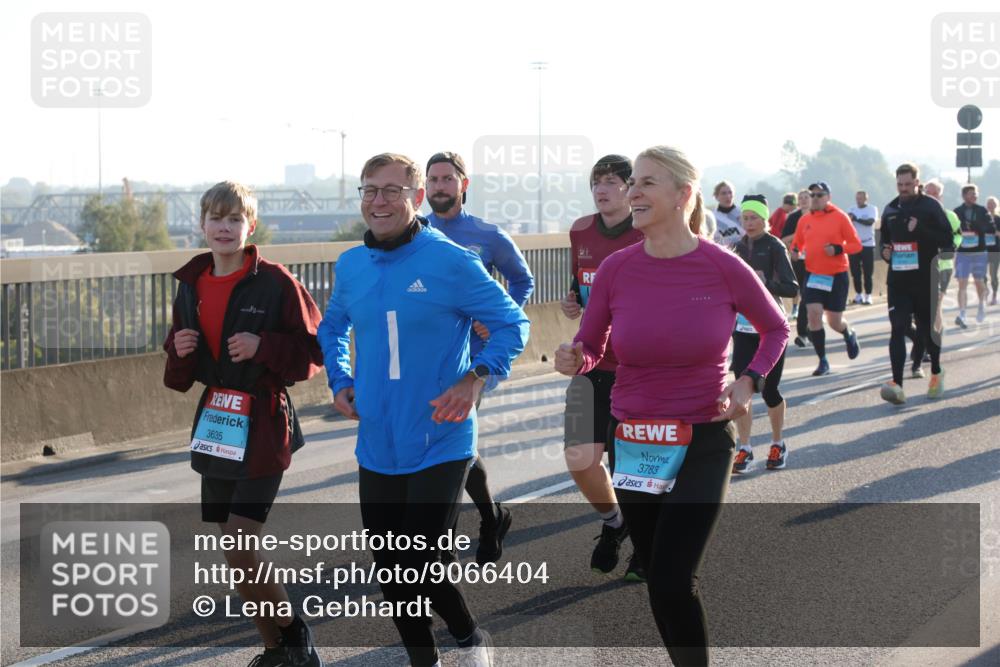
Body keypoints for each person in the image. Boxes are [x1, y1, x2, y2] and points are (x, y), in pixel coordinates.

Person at [555, 146, 788, 666]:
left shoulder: (722, 266)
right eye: (632, 182)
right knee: (658, 579)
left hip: (702, 436)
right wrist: (575, 357)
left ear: (683, 194)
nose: (632, 192)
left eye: (646, 183)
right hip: (634, 439)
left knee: (673, 577)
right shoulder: (616, 269)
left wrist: (748, 381)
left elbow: (776, 328)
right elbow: (591, 344)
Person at [318, 153, 529, 667]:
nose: (379, 201)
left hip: (442, 435)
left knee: (421, 559)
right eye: (370, 190)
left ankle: (470, 639)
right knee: (391, 568)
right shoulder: (351, 264)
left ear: (416, 198)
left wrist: (475, 378)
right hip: (377, 440)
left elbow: (512, 324)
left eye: (392, 191)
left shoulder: (452, 260)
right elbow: (332, 327)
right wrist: (340, 379)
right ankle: (424, 658)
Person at [163, 181, 325, 667]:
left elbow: (315, 352)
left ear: (250, 226)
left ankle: (295, 635)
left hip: (264, 423)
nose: (224, 227)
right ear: (202, 224)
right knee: (233, 553)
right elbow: (179, 377)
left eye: (234, 219)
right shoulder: (190, 284)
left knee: (239, 542)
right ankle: (274, 650)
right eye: (216, 217)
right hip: (217, 421)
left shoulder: (275, 281)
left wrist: (264, 346)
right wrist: (178, 350)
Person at [425, 151, 535, 565]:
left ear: (463, 184)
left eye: (447, 179)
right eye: (433, 179)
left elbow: (523, 279)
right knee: (446, 443)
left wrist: (499, 316)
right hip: (429, 357)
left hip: (474, 359)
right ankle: (492, 517)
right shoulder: (418, 232)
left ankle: (445, 540)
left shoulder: (487, 235)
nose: (439, 186)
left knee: (452, 439)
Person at [560, 155, 646, 582]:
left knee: (632, 467)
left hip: (636, 366)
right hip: (589, 358)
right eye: (597, 181)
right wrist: (572, 300)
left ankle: (646, 546)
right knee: (579, 458)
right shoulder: (580, 230)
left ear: (631, 188)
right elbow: (579, 284)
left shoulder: (646, 231)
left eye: (611, 181)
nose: (601, 189)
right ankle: (616, 523)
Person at [730, 195, 798, 473]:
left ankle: (778, 442)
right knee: (741, 388)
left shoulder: (774, 246)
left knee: (769, 389)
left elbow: (791, 288)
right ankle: (744, 448)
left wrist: (765, 282)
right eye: (745, 218)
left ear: (764, 219)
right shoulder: (736, 247)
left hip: (771, 330)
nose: (749, 223)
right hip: (743, 329)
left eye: (754, 218)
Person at [878, 164, 954, 404]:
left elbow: (948, 241)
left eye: (908, 184)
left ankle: (936, 372)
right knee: (898, 327)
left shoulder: (931, 206)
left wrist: (920, 230)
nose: (903, 189)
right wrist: (885, 252)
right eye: (900, 184)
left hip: (925, 279)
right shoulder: (890, 209)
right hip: (898, 281)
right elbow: (885, 242)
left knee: (927, 329)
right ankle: (897, 385)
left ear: (917, 183)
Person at [792, 181, 863, 376]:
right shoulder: (804, 220)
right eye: (812, 195)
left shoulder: (840, 217)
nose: (815, 198)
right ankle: (823, 361)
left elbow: (856, 245)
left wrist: (838, 249)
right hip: (813, 274)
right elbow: (797, 243)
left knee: (834, 322)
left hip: (837, 275)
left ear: (828, 197)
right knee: (814, 316)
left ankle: (848, 333)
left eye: (819, 195)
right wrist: (795, 251)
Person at [922, 179, 963, 359]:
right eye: (928, 194)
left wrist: (949, 248)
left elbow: (958, 236)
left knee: (935, 304)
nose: (932, 197)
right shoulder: (918, 215)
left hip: (943, 266)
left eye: (935, 194)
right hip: (922, 266)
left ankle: (931, 345)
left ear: (941, 196)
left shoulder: (950, 216)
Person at [953, 184, 992, 327]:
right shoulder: (957, 211)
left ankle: (981, 305)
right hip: (963, 252)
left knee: (979, 281)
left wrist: (976, 226)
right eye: (971, 193)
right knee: (962, 283)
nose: (974, 196)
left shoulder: (982, 210)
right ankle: (962, 314)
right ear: (964, 196)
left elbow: (990, 227)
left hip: (979, 251)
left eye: (976, 193)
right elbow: (953, 229)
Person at [782, 189, 812, 345]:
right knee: (805, 294)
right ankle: (803, 333)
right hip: (799, 260)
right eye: (801, 198)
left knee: (812, 296)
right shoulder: (793, 218)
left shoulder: (818, 215)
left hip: (817, 261)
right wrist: (800, 233)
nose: (804, 200)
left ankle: (810, 329)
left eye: (807, 197)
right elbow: (784, 239)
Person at [847, 190, 879, 305]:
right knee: (855, 272)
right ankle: (858, 294)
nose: (858, 200)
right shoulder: (851, 209)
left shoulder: (872, 209)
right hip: (855, 244)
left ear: (866, 199)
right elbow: (847, 223)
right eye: (857, 198)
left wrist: (856, 219)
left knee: (868, 271)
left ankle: (868, 295)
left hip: (868, 244)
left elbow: (870, 222)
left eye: (861, 198)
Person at [712, 180, 744, 248]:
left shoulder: (743, 212)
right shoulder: (712, 217)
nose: (728, 196)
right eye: (723, 193)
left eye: (730, 192)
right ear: (716, 196)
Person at [985, 195, 999, 305]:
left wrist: (998, 233)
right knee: (981, 274)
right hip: (984, 249)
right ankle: (986, 290)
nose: (991, 206)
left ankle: (994, 295)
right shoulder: (983, 218)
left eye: (992, 204)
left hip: (996, 249)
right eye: (989, 204)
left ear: (996, 205)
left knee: (993, 274)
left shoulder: (998, 218)